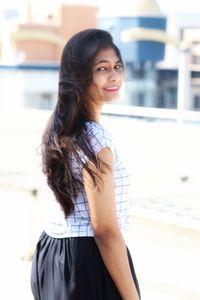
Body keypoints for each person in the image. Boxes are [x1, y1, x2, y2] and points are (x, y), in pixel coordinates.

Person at [30, 28, 141, 300]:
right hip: (85, 262)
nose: (114, 75)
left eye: (117, 66)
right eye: (102, 68)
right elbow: (104, 229)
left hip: (51, 252)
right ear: (79, 75)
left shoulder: (61, 125)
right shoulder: (95, 138)